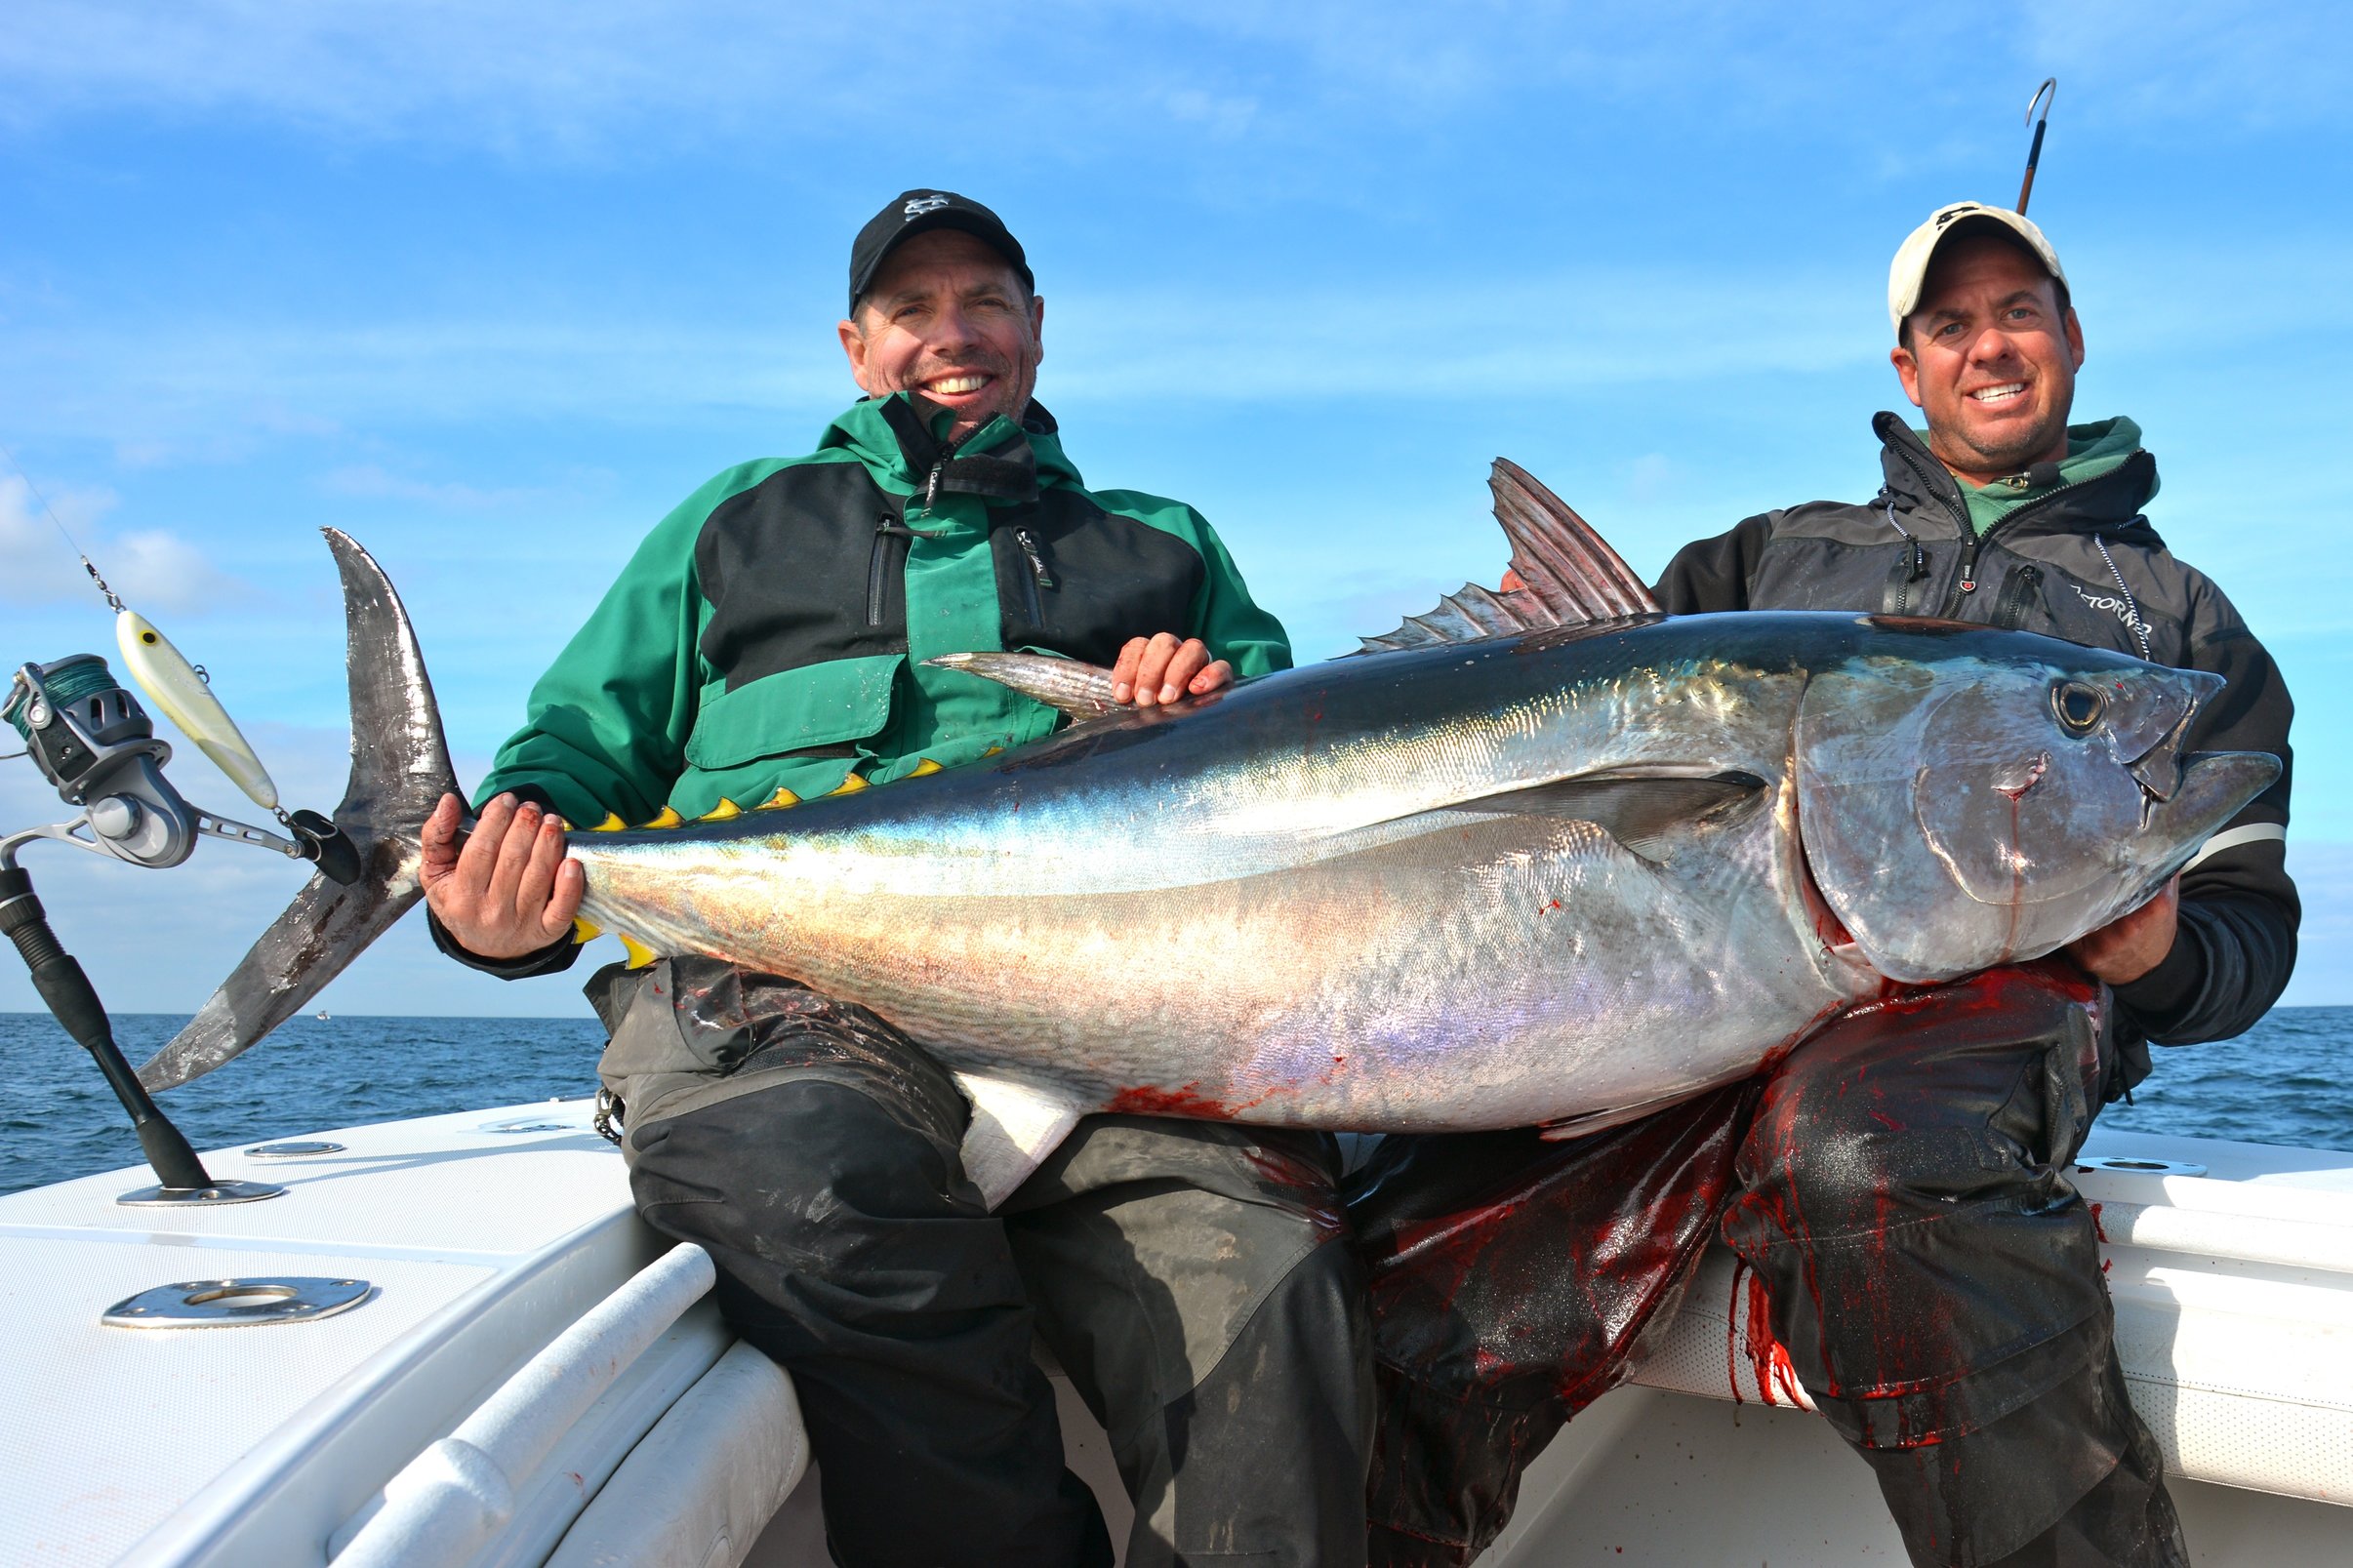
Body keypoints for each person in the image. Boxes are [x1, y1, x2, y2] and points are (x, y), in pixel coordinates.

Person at [419, 189, 1372, 1568]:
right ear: (856, 346)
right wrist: (493, 899)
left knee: (1272, 1284)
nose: (954, 334)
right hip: (769, 1001)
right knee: (822, 1194)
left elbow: (1311, 780)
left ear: (1036, 328)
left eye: (984, 300)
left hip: (1123, 1015)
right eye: (913, 310)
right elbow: (577, 747)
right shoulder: (734, 524)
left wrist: (1208, 711)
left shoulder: (1162, 540)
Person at [1353, 201, 2295, 1568]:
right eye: (1952, 324)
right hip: (1700, 999)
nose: (1991, 346)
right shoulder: (1772, 557)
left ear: (2073, 339)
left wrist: (2155, 951)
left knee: (1869, 1158)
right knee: (1422, 1223)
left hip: (1982, 1014)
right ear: (1906, 369)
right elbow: (1598, 691)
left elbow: (2248, 932)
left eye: (2020, 312)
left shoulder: (2181, 623)